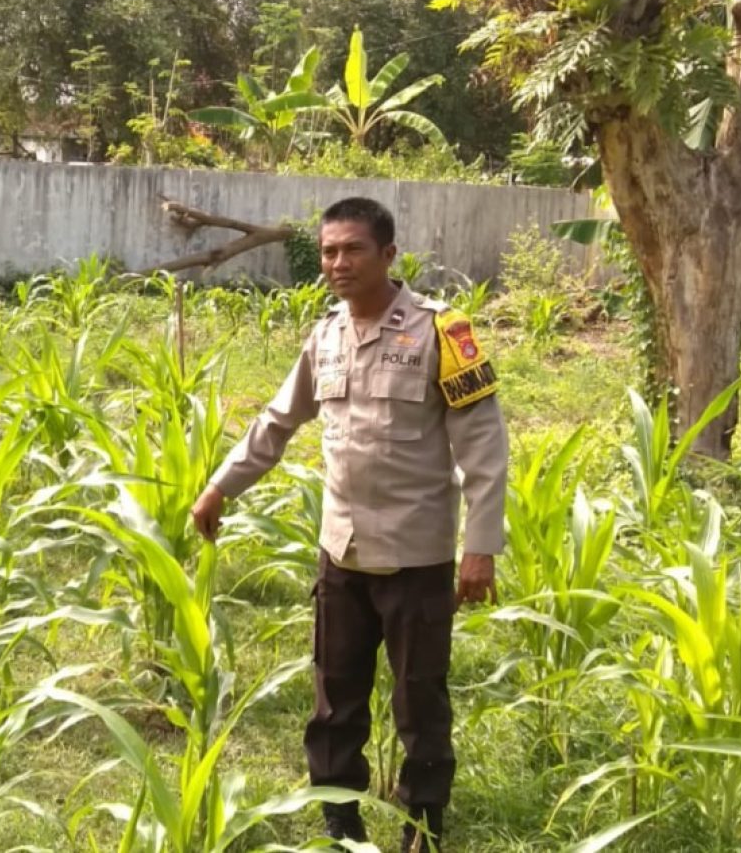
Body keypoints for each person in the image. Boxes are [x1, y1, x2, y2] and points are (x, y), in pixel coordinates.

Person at [191, 197, 509, 852]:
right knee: (335, 694)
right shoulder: (326, 334)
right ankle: (339, 813)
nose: (337, 263)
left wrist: (480, 549)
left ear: (389, 254)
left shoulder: (440, 335)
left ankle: (424, 819)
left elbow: (484, 450)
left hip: (416, 557)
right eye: (329, 251)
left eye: (352, 250)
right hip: (341, 551)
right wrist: (221, 487)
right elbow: (276, 424)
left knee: (420, 698)